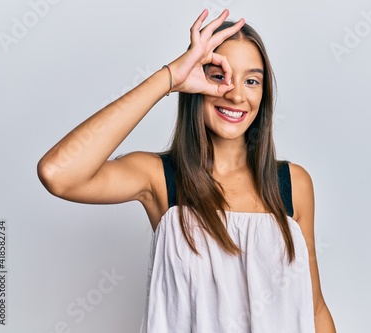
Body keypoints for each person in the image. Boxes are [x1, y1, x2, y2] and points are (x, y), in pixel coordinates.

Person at [37, 9, 336, 333]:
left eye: (251, 80)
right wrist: (170, 77)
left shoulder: (292, 184)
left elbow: (314, 309)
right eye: (219, 76)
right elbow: (58, 174)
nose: (236, 94)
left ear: (263, 94)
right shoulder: (158, 177)